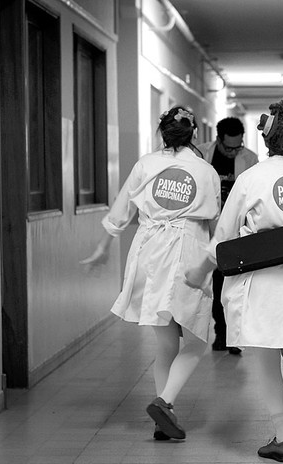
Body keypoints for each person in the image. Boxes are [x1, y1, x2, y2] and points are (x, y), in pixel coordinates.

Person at [187, 97, 283, 462]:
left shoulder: (251, 177)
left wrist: (199, 271)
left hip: (260, 283)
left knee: (266, 360)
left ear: (268, 140)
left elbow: (224, 236)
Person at [81, 106, 220, 441]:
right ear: (195, 134)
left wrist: (101, 249)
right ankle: (164, 401)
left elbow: (121, 211)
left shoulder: (145, 164)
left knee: (166, 342)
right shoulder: (205, 171)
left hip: (148, 253)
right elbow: (215, 220)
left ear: (162, 133)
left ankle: (163, 419)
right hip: (187, 251)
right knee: (203, 338)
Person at [196, 117, 258, 354]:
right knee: (212, 285)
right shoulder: (201, 155)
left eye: (238, 147)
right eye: (228, 148)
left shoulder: (250, 159)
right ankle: (222, 333)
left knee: (231, 286)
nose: (233, 152)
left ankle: (229, 335)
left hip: (235, 233)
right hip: (207, 229)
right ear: (218, 140)